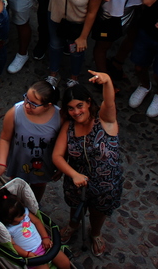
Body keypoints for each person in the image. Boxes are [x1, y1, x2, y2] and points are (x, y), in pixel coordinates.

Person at [52, 71, 121, 257]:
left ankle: (96, 233)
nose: (76, 112)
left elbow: (110, 101)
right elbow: (57, 156)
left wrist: (107, 80)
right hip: (77, 181)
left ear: (89, 103)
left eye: (80, 106)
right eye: (71, 108)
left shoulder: (105, 120)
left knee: (99, 211)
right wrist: (72, 174)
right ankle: (73, 225)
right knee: (76, 207)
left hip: (105, 183)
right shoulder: (69, 126)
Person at [42, 0, 101, 88]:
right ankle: (53, 73)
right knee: (55, 45)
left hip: (77, 24)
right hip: (55, 16)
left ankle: (74, 77)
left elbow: (92, 12)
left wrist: (83, 37)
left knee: (75, 51)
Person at [0, 190, 73, 269]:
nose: (24, 215)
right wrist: (26, 254)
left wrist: (45, 237)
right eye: (20, 216)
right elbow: (13, 245)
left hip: (45, 244)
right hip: (32, 254)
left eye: (24, 212)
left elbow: (37, 222)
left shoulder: (25, 213)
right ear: (9, 220)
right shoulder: (8, 229)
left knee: (65, 262)